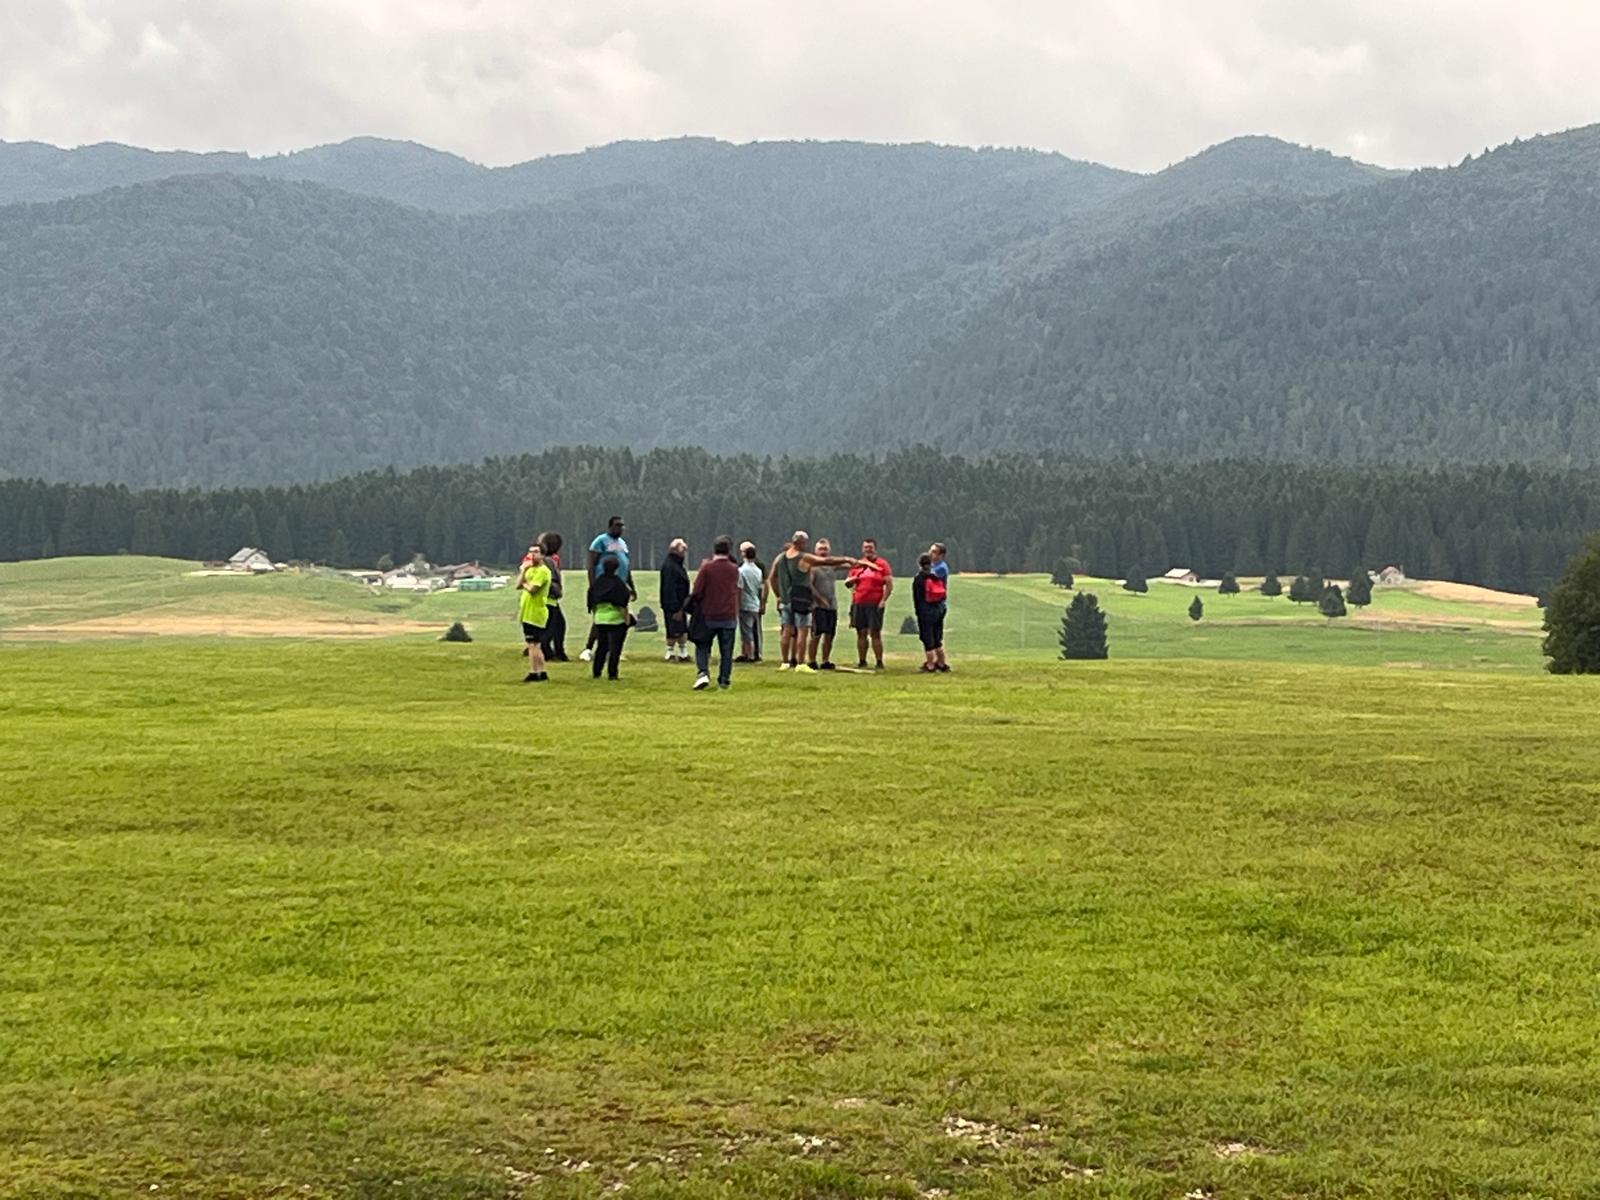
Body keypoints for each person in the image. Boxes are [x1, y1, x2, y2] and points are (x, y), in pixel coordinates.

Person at [768, 530, 858, 672]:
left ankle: (784, 662)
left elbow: (772, 577)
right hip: (801, 599)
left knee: (786, 630)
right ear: (803, 543)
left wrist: (778, 595)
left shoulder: (780, 558)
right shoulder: (804, 557)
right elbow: (826, 561)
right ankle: (801, 663)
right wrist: (846, 559)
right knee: (802, 631)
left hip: (786, 600)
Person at [689, 534, 741, 690]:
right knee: (726, 651)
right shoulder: (734, 569)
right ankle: (724, 679)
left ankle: (703, 672)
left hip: (708, 613)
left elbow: (697, 591)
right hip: (729, 614)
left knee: (702, 645)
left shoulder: (707, 568)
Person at [581, 517, 635, 663]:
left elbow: (626, 566)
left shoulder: (622, 544)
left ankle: (614, 650)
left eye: (622, 526)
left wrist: (631, 586)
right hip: (604, 584)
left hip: (620, 585)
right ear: (610, 526)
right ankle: (589, 648)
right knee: (601, 619)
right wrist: (593, 586)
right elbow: (592, 564)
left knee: (619, 619)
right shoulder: (600, 541)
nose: (621, 528)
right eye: (618, 525)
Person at [845, 538, 893, 670]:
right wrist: (852, 582)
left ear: (875, 548)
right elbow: (849, 584)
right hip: (859, 602)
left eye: (870, 547)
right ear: (862, 549)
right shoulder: (858, 565)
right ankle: (862, 660)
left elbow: (889, 584)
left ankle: (879, 661)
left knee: (875, 633)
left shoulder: (882, 564)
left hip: (875, 603)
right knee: (861, 632)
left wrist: (883, 600)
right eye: (866, 547)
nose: (868, 550)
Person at [586, 554, 631, 681]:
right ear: (617, 568)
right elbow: (622, 605)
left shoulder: (597, 583)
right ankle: (612, 674)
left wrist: (596, 616)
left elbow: (592, 603)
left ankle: (596, 671)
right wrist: (626, 620)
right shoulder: (618, 584)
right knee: (615, 649)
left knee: (601, 647)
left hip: (600, 619)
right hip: (616, 620)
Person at [516, 543, 553, 683]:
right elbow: (517, 585)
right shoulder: (529, 569)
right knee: (533, 644)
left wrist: (525, 581)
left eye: (536, 552)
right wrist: (523, 571)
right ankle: (541, 672)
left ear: (542, 555)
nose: (533, 555)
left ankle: (534, 671)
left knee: (533, 644)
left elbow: (532, 589)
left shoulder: (543, 571)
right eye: (530, 552)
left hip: (536, 611)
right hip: (527, 611)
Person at [806, 537, 844, 670]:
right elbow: (809, 585)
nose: (823, 552)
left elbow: (846, 564)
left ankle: (825, 660)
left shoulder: (832, 565)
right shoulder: (812, 566)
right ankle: (811, 660)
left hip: (832, 605)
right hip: (818, 606)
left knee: (830, 634)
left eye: (825, 549)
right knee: (816, 633)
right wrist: (819, 599)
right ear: (815, 551)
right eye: (820, 549)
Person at [659, 538, 692, 662]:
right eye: (682, 549)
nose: (685, 551)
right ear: (675, 550)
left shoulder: (677, 564)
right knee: (673, 629)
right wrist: (675, 607)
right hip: (673, 604)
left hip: (681, 603)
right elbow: (668, 588)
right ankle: (670, 652)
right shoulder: (669, 566)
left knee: (682, 628)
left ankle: (683, 652)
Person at [538, 532, 568, 662]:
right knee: (553, 627)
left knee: (556, 625)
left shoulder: (546, 559)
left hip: (548, 598)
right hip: (549, 598)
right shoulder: (549, 560)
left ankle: (556, 652)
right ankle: (549, 651)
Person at [912, 553, 944, 672]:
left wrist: (918, 612)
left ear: (919, 564)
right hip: (938, 610)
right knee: (937, 638)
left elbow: (917, 598)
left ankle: (930, 665)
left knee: (927, 639)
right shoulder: (935, 577)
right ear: (930, 564)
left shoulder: (919, 579)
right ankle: (941, 663)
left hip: (925, 612)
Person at [736, 541, 765, 662]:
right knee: (753, 630)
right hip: (755, 603)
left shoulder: (741, 570)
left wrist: (737, 605)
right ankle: (750, 653)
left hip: (746, 604)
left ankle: (750, 655)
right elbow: (760, 588)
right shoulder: (758, 571)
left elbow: (740, 589)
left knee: (746, 633)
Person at [927, 541, 951, 672]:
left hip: (937, 605)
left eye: (934, 552)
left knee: (935, 636)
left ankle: (941, 662)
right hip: (934, 604)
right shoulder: (934, 566)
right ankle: (939, 662)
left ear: (941, 555)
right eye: (930, 550)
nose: (931, 553)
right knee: (935, 635)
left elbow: (928, 577)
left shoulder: (940, 568)